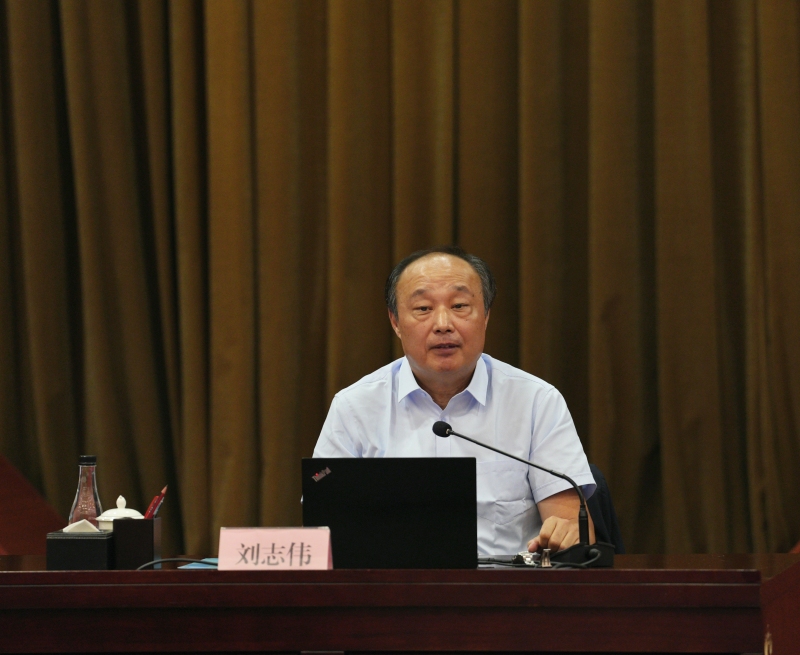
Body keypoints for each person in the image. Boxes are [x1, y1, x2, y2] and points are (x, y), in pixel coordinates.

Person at [312, 246, 595, 556]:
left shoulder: (536, 402)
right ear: (395, 321)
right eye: (423, 308)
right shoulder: (354, 407)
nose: (443, 323)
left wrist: (568, 533)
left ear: (486, 315)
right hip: (392, 584)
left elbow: (573, 531)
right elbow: (324, 530)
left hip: (503, 584)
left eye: (460, 305)